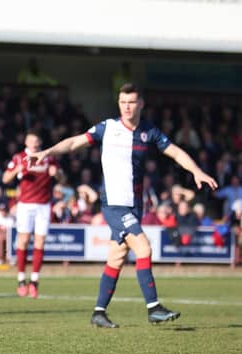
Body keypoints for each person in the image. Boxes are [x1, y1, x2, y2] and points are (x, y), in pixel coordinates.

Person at [29, 83, 218, 328]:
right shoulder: (107, 128)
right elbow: (75, 142)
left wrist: (197, 171)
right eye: (122, 102)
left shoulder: (149, 131)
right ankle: (153, 308)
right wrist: (48, 152)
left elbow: (175, 152)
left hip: (134, 206)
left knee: (116, 257)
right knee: (144, 248)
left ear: (140, 104)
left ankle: (99, 312)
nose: (126, 107)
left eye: (131, 102)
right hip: (115, 205)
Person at [2, 131, 63, 298]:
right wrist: (17, 170)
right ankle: (21, 279)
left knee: (40, 241)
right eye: (30, 141)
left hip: (43, 205)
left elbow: (62, 179)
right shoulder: (19, 158)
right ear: (26, 142)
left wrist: (56, 174)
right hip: (25, 205)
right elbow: (5, 178)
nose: (33, 144)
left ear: (40, 142)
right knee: (23, 239)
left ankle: (34, 281)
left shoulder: (48, 157)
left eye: (36, 141)